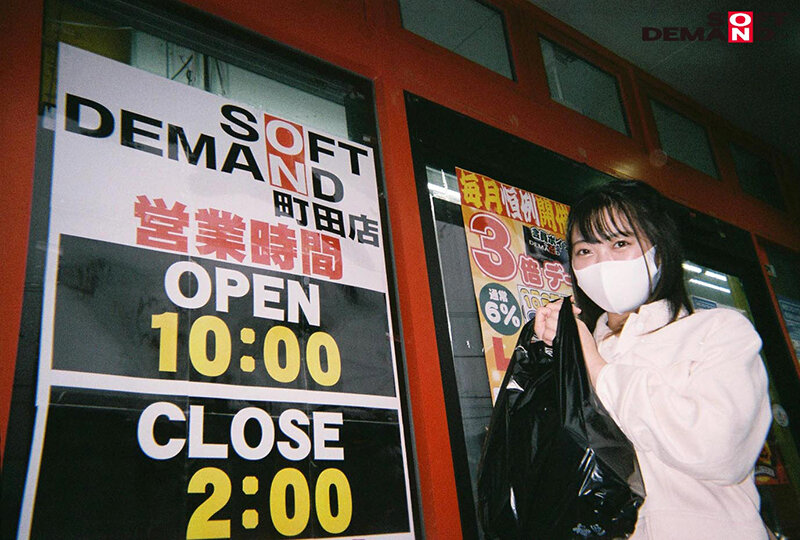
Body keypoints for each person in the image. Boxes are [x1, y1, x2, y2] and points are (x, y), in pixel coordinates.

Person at [533, 179, 772, 540]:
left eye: (620, 243)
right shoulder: (584, 345)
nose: (602, 263)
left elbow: (719, 451)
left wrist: (592, 363)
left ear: (659, 253)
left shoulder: (718, 331)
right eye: (585, 250)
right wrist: (554, 353)